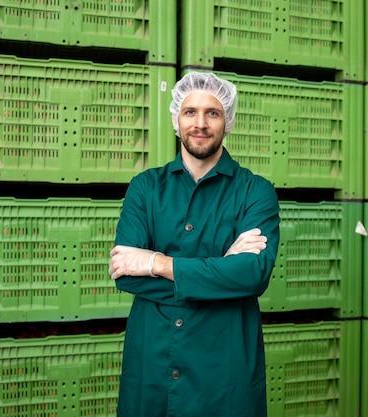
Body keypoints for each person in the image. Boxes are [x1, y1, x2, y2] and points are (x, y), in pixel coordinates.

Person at [108, 72, 280, 417]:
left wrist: (157, 263)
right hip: (153, 362)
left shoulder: (255, 191)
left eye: (212, 113)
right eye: (190, 112)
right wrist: (220, 270)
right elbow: (126, 273)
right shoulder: (145, 187)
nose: (200, 123)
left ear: (227, 121)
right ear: (176, 119)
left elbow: (252, 274)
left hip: (224, 367)